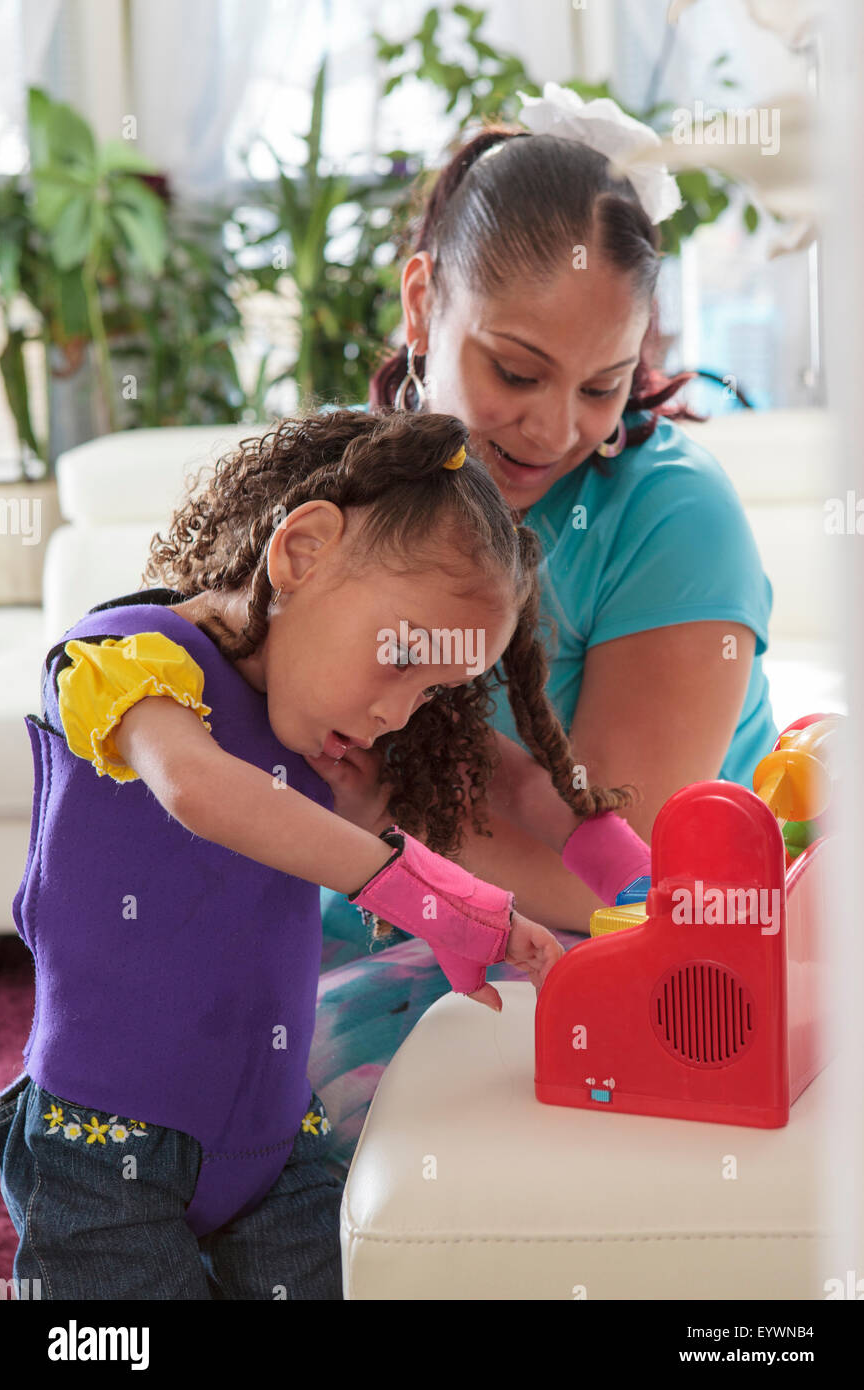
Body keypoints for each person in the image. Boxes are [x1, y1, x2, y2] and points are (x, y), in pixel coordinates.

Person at [0, 408, 648, 1301]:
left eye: (433, 691)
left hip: (271, 1136)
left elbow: (508, 779)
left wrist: (646, 875)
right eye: (403, 658)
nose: (399, 711)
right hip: (104, 1148)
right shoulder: (127, 659)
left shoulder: (314, 729)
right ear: (302, 552)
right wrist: (434, 898)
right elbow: (196, 787)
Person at [312, 85, 778, 1177]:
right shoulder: (369, 487)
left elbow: (625, 877)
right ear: (421, 305)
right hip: (370, 895)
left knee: (314, 1135)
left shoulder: (670, 515)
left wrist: (362, 802)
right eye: (514, 372)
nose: (553, 426)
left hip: (596, 933)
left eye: (600, 386)